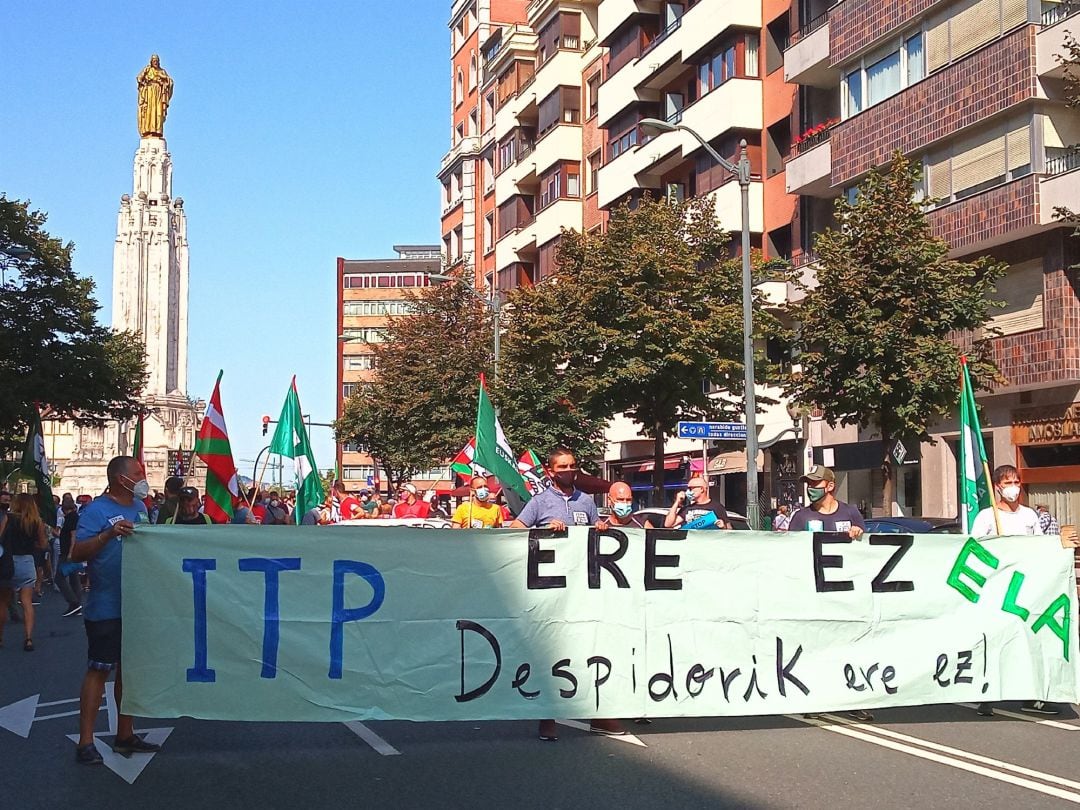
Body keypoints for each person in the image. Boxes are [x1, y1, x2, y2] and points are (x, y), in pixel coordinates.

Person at [509, 448, 616, 740]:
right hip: (551, 593)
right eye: (563, 467)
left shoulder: (587, 501)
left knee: (592, 647)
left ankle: (597, 714)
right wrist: (544, 533)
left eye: (573, 466)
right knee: (552, 652)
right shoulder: (540, 502)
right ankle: (548, 715)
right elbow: (514, 530)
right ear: (551, 471)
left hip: (585, 588)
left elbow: (598, 533)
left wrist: (602, 528)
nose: (569, 470)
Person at [70, 455, 161, 765]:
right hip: (106, 604)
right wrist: (108, 534)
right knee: (99, 669)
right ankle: (86, 741)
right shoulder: (96, 511)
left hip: (137, 604)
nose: (143, 476)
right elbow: (77, 551)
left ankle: (125, 734)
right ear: (121, 478)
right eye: (138, 472)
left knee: (130, 672)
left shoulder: (141, 508)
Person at [973, 466, 1079, 717]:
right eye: (1008, 482)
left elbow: (1041, 548)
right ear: (997, 487)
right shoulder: (986, 518)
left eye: (1016, 481)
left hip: (1026, 590)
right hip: (997, 590)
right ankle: (986, 693)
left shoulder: (1029, 516)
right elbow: (975, 549)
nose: (1014, 486)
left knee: (1029, 639)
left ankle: (1032, 695)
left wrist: (1062, 543)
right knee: (995, 641)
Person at [787, 465, 872, 722]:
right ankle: (815, 697)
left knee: (849, 645)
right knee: (816, 645)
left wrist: (859, 534)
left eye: (815, 483)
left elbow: (866, 550)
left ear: (830, 485)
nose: (811, 489)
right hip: (814, 592)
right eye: (809, 484)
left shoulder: (850, 512)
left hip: (846, 593)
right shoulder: (800, 518)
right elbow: (787, 552)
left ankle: (852, 697)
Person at [0, 493, 48, 650]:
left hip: (8, 561)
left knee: (3, 602)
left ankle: (0, 638)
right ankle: (28, 638)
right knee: (27, 602)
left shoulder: (9, 518)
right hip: (27, 561)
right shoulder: (37, 522)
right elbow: (43, 544)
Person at [663, 476, 730, 530]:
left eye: (691, 488)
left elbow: (729, 529)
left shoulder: (717, 507)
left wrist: (723, 527)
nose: (688, 491)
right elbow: (668, 524)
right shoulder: (687, 509)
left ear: (701, 489)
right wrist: (677, 501)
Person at [56, 495, 84, 616]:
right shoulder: (73, 517)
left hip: (68, 552)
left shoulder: (71, 518)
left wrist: (71, 552)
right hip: (70, 551)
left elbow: (73, 536)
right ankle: (77, 603)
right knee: (74, 577)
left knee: (59, 577)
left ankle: (74, 602)